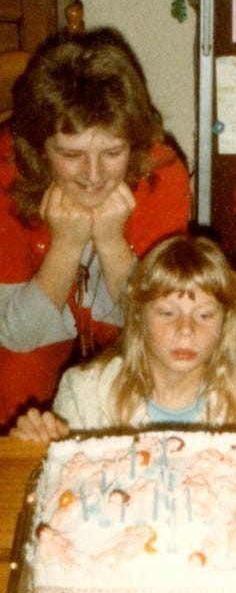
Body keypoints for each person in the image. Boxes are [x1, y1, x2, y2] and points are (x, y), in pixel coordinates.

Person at [0, 27, 192, 430]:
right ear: (39, 147)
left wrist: (110, 241)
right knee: (17, 385)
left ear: (135, 144)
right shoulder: (4, 174)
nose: (94, 175)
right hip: (31, 334)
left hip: (124, 332)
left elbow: (156, 323)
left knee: (143, 393)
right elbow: (16, 335)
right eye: (71, 154)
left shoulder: (163, 171)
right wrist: (65, 247)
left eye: (112, 152)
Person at [10, 235, 236, 442]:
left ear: (224, 325)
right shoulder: (85, 394)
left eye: (204, 315)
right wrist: (36, 444)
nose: (186, 329)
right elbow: (53, 479)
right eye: (168, 313)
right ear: (140, 317)